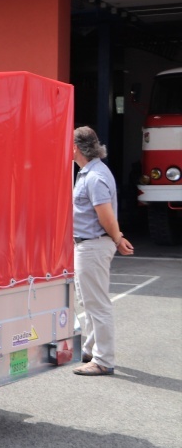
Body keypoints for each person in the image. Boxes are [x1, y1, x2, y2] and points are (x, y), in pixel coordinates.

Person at [71, 125, 133, 377]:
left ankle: (103, 360)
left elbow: (105, 216)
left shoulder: (94, 177)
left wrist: (117, 238)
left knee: (97, 305)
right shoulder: (90, 172)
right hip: (89, 244)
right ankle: (90, 350)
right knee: (89, 301)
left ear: (75, 147)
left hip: (92, 245)